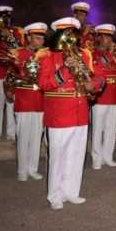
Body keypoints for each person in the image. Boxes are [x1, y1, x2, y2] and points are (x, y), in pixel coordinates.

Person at [37, 17, 103, 210]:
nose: (70, 39)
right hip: (59, 114)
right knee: (57, 156)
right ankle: (54, 195)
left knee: (77, 154)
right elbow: (44, 84)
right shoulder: (47, 55)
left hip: (80, 111)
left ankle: (71, 191)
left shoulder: (85, 54)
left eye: (73, 34)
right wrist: (66, 69)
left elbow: (98, 77)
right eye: (66, 34)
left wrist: (95, 85)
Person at [8, 22, 47, 181]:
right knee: (23, 137)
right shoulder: (17, 53)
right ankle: (22, 170)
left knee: (37, 136)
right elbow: (11, 75)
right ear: (28, 37)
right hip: (24, 99)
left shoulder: (46, 54)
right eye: (37, 38)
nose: (40, 42)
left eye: (42, 38)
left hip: (40, 100)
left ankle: (33, 168)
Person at [90, 23, 116, 169]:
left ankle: (108, 156)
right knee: (98, 129)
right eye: (107, 37)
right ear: (99, 38)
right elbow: (97, 72)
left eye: (111, 37)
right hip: (101, 98)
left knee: (111, 129)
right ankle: (96, 158)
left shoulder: (115, 56)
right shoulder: (92, 55)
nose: (110, 41)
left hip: (115, 97)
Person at [0, 5, 24, 143]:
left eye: (6, 17)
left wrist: (10, 38)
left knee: (12, 103)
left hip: (13, 72)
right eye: (1, 17)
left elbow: (21, 49)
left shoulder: (17, 31)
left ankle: (11, 133)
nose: (4, 20)